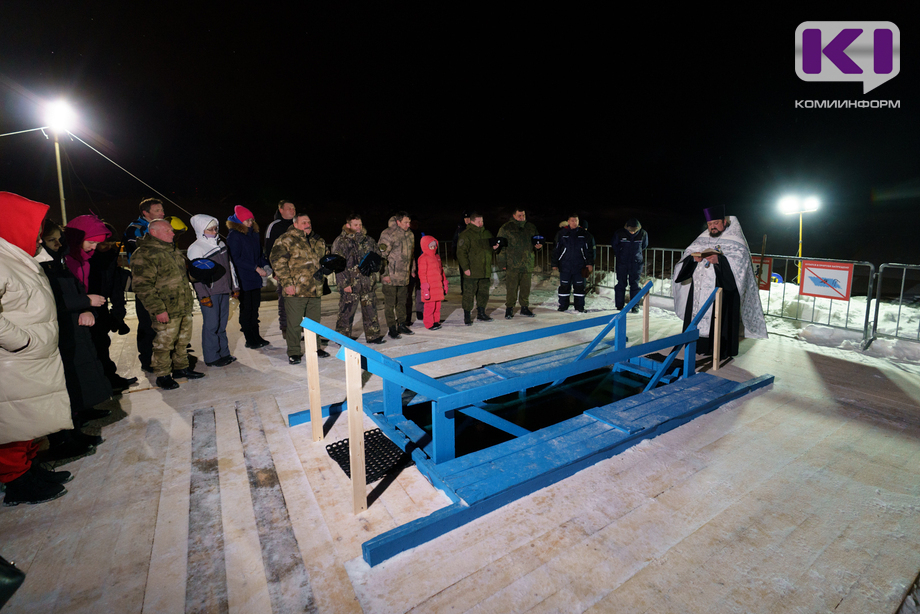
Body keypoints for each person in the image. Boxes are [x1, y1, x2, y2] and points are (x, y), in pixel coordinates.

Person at [0, 192, 74, 506]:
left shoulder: (18, 256)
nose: (40, 237)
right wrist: (22, 341)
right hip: (14, 359)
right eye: (35, 229)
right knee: (14, 426)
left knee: (31, 421)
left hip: (33, 358)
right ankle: (16, 482)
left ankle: (28, 469)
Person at [40, 219, 113, 460]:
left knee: (78, 372)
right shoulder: (44, 263)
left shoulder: (57, 260)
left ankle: (74, 428)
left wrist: (85, 305)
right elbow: (47, 300)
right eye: (51, 240)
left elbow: (74, 289)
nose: (57, 244)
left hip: (72, 324)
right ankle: (63, 439)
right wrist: (84, 302)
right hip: (55, 330)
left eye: (58, 239)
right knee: (63, 382)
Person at [673, 207, 768, 358]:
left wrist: (720, 261)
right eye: (710, 224)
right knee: (696, 316)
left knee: (720, 320)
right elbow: (687, 256)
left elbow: (740, 265)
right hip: (698, 290)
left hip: (722, 290)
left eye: (716, 223)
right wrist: (693, 259)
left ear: (724, 222)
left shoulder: (735, 240)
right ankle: (697, 345)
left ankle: (718, 350)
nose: (713, 227)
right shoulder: (702, 238)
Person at [131, 219, 204, 390]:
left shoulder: (172, 250)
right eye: (168, 231)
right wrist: (158, 309)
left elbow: (181, 277)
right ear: (154, 232)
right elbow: (142, 286)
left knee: (182, 341)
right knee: (164, 344)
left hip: (182, 305)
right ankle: (162, 375)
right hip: (166, 308)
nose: (172, 233)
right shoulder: (145, 254)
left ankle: (181, 368)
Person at [270, 213, 329, 364]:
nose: (307, 225)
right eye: (304, 222)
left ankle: (315, 348)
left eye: (309, 222)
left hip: (314, 289)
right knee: (294, 324)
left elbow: (325, 259)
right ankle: (294, 352)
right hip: (295, 290)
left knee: (314, 323)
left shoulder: (317, 240)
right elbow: (278, 262)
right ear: (295, 224)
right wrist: (287, 283)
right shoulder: (286, 239)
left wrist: (329, 266)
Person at [87, 223, 136, 392]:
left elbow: (115, 287)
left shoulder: (111, 257)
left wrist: (118, 313)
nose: (107, 245)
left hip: (102, 306)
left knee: (103, 343)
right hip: (88, 306)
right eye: (103, 242)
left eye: (110, 242)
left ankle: (110, 378)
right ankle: (101, 381)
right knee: (95, 346)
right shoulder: (86, 259)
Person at [187, 215, 238, 368]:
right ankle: (212, 357)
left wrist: (234, 286)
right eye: (210, 229)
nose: (215, 232)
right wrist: (203, 295)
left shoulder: (221, 244)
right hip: (210, 292)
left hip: (224, 289)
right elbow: (196, 276)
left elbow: (230, 266)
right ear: (201, 230)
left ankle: (224, 353)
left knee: (222, 324)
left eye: (216, 229)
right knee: (211, 325)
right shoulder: (196, 248)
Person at [124, 198, 165, 371]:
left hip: (163, 282)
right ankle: (147, 359)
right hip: (145, 282)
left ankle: (166, 355)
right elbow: (144, 252)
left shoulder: (163, 226)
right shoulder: (135, 229)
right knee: (147, 323)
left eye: (162, 210)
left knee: (164, 321)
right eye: (157, 210)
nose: (162, 213)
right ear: (145, 212)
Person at [331, 213, 385, 344]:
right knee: (346, 312)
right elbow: (337, 265)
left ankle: (373, 336)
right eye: (355, 225)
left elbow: (378, 256)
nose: (359, 227)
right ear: (348, 225)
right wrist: (344, 284)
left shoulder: (368, 240)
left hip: (367, 282)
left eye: (360, 224)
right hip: (350, 283)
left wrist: (376, 266)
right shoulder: (341, 241)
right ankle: (342, 338)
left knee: (370, 311)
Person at [226, 205, 271, 349]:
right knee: (247, 309)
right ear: (239, 221)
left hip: (255, 278)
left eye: (251, 220)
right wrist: (255, 268)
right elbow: (235, 258)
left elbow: (259, 255)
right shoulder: (234, 236)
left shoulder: (253, 234)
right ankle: (249, 338)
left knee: (255, 308)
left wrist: (265, 265)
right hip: (243, 278)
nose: (250, 223)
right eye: (247, 221)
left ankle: (256, 335)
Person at [497, 207, 542, 319]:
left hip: (527, 263)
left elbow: (537, 242)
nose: (522, 218)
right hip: (512, 264)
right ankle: (509, 308)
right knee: (511, 288)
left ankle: (524, 307)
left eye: (523, 215)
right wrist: (502, 263)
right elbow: (501, 247)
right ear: (514, 216)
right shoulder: (506, 228)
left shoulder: (531, 227)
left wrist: (538, 247)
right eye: (519, 216)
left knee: (525, 288)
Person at [378, 211, 416, 339]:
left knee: (402, 302)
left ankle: (401, 324)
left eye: (409, 222)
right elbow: (381, 256)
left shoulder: (410, 234)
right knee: (390, 304)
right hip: (391, 276)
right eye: (405, 222)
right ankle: (392, 328)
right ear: (398, 222)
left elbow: (411, 254)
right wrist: (385, 274)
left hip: (404, 276)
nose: (408, 225)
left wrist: (412, 269)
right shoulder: (388, 234)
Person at [457, 211, 499, 325]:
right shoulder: (466, 235)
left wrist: (494, 248)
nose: (481, 223)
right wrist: (465, 268)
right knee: (469, 294)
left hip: (484, 270)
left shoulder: (487, 233)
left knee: (483, 293)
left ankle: (481, 313)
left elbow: (489, 249)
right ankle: (467, 315)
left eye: (482, 221)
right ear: (472, 222)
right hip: (472, 271)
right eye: (478, 221)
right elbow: (461, 253)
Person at [264, 200, 297, 334]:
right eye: (289, 208)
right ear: (281, 210)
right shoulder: (275, 226)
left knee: (299, 300)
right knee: (285, 299)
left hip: (299, 270)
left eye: (294, 208)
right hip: (283, 270)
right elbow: (269, 248)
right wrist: (275, 270)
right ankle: (285, 327)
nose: (292, 210)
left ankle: (298, 327)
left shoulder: (297, 225)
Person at [551, 214, 595, 313]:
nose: (574, 223)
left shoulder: (585, 234)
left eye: (576, 221)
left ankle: (579, 306)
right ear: (568, 221)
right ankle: (563, 305)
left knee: (579, 287)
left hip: (580, 266)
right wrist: (554, 263)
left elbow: (590, 251)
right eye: (572, 220)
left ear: (578, 222)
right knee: (564, 287)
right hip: (565, 266)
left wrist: (589, 263)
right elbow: (556, 249)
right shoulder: (561, 234)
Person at [612, 218, 649, 312]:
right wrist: (620, 255)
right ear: (626, 228)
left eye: (634, 230)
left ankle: (635, 306)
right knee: (621, 284)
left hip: (636, 263)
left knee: (635, 285)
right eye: (630, 230)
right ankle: (619, 305)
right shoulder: (619, 233)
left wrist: (637, 255)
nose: (632, 232)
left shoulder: (643, 234)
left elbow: (644, 245)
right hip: (622, 263)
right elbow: (615, 245)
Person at [418, 235, 448, 330]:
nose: (432, 248)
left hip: (437, 287)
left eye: (434, 246)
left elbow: (441, 271)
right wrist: (425, 287)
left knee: (437, 306)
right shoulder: (423, 258)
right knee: (429, 307)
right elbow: (422, 274)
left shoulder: (437, 257)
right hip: (430, 288)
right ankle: (429, 323)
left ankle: (435, 321)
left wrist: (444, 283)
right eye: (430, 246)